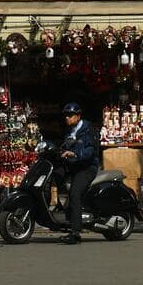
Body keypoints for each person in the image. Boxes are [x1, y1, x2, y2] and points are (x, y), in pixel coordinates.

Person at [56, 102, 98, 245]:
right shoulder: (70, 131)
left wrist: (75, 154)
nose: (67, 118)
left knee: (75, 193)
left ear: (78, 116)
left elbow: (90, 151)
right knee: (55, 176)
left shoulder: (88, 130)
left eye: (70, 115)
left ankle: (75, 233)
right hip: (73, 166)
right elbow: (64, 146)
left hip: (87, 168)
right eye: (66, 115)